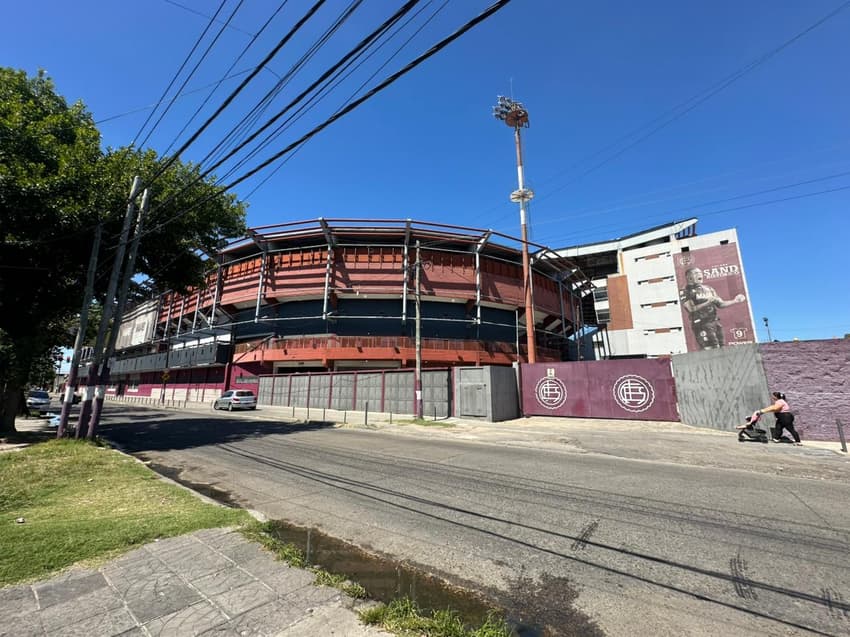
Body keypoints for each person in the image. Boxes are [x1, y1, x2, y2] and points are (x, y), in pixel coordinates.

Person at [679, 267, 747, 349]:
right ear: (689, 277)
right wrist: (708, 302)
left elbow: (720, 304)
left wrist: (735, 300)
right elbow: (691, 309)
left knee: (722, 348)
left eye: (700, 273)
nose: (700, 274)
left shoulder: (709, 289)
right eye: (696, 273)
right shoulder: (685, 291)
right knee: (711, 349)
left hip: (715, 322)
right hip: (701, 324)